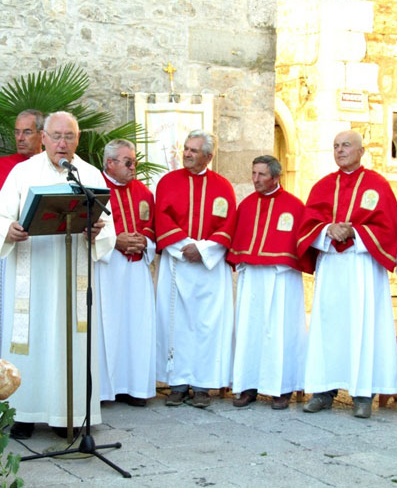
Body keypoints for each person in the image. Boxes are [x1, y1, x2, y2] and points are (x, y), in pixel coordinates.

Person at [0, 111, 115, 439]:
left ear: (78, 139)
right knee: (30, 338)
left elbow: (107, 225)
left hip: (73, 277)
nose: (62, 143)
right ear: (43, 138)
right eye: (55, 136)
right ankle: (23, 414)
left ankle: (66, 415)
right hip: (32, 273)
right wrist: (9, 229)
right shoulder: (22, 172)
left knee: (69, 341)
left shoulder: (88, 174)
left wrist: (95, 231)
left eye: (68, 137)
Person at [297, 130, 397, 418]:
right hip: (331, 266)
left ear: (361, 151)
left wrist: (355, 230)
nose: (340, 150)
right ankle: (323, 390)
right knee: (327, 327)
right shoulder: (322, 186)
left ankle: (363, 394)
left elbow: (389, 228)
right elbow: (307, 224)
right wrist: (326, 230)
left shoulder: (377, 186)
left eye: (346, 145)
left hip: (362, 268)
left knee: (362, 325)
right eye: (335, 146)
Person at [154, 130, 237, 408]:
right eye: (186, 149)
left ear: (209, 156)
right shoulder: (167, 182)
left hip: (209, 269)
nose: (187, 154)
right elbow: (161, 217)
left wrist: (202, 250)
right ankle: (177, 384)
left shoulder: (223, 187)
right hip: (177, 264)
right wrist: (184, 247)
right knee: (174, 325)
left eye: (193, 150)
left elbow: (228, 225)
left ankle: (203, 385)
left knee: (206, 326)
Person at [228, 155, 312, 410]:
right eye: (253, 173)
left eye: (262, 175)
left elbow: (300, 244)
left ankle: (282, 388)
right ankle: (248, 385)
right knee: (249, 332)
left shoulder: (295, 206)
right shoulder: (247, 205)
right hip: (252, 277)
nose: (256, 179)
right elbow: (238, 239)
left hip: (281, 278)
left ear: (276, 177)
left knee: (280, 332)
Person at [0, 109, 44, 359]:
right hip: (9, 253)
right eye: (17, 132)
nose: (20, 138)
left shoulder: (53, 167)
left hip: (42, 254)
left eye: (27, 132)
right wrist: (5, 228)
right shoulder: (0, 167)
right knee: (4, 313)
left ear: (42, 134)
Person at [96, 139, 156, 407]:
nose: (134, 167)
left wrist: (145, 242)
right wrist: (114, 242)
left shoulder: (143, 192)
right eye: (128, 162)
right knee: (107, 327)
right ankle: (105, 389)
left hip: (136, 269)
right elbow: (87, 230)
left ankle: (134, 387)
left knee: (137, 326)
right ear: (110, 163)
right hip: (107, 269)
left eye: (135, 162)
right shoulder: (94, 188)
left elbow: (152, 226)